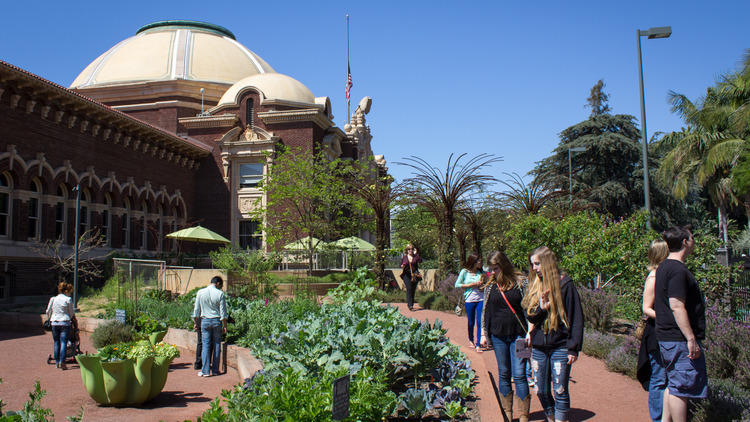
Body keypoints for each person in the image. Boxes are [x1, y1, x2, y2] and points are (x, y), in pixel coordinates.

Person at [522, 246, 583, 422]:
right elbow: (530, 316)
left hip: (561, 345)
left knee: (560, 389)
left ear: (547, 263)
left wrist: (573, 348)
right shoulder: (535, 284)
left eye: (538, 264)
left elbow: (576, 317)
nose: (535, 268)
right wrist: (541, 308)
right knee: (541, 389)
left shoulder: (565, 284)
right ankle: (550, 414)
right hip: (540, 346)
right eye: (533, 264)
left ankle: (560, 419)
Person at [654, 227, 707, 422]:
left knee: (673, 384)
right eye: (692, 238)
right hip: (677, 339)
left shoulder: (664, 267)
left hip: (667, 338)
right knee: (681, 389)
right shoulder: (677, 270)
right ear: (685, 242)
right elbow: (676, 305)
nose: (694, 241)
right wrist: (691, 338)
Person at [480, 251, 531, 422]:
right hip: (498, 336)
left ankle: (524, 414)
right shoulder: (490, 286)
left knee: (520, 374)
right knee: (503, 373)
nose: (492, 272)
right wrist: (483, 334)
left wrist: (530, 331)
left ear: (503, 266)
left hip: (520, 336)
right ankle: (507, 412)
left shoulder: (521, 282)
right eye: (491, 269)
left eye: (495, 268)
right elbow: (486, 312)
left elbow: (529, 309)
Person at [637, 240, 670, 422]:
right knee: (659, 377)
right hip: (656, 333)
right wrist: (666, 316)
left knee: (667, 378)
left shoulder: (666, 275)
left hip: (666, 332)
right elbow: (646, 308)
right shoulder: (653, 277)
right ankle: (657, 418)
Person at [192, 276, 228, 377]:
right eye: (220, 285)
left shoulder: (200, 292)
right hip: (217, 321)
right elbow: (223, 312)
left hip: (205, 321)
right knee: (217, 345)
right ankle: (215, 370)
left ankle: (205, 371)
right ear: (217, 283)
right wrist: (225, 325)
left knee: (205, 345)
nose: (221, 288)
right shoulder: (220, 294)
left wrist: (196, 322)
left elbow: (196, 310)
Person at [454, 254, 485, 352]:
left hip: (480, 299)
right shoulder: (464, 272)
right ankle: (471, 339)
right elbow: (457, 284)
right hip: (469, 299)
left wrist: (482, 285)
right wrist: (471, 285)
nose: (481, 263)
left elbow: (487, 282)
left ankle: (478, 344)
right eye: (479, 261)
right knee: (471, 321)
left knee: (480, 322)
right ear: (474, 262)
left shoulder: (481, 272)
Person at [46, 282, 76, 370]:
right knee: (63, 342)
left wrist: (49, 318)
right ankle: (63, 361)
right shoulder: (68, 299)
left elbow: (48, 311)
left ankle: (57, 361)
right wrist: (69, 318)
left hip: (54, 322)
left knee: (56, 342)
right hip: (65, 322)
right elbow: (71, 312)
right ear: (66, 290)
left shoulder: (53, 299)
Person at [400, 244, 420, 311]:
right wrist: (403, 266)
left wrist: (416, 254)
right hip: (406, 275)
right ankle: (410, 305)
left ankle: (411, 303)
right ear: (407, 250)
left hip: (414, 275)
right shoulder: (405, 257)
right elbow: (402, 264)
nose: (410, 250)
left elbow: (420, 260)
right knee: (409, 288)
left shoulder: (416, 257)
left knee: (413, 289)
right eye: (409, 249)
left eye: (411, 249)